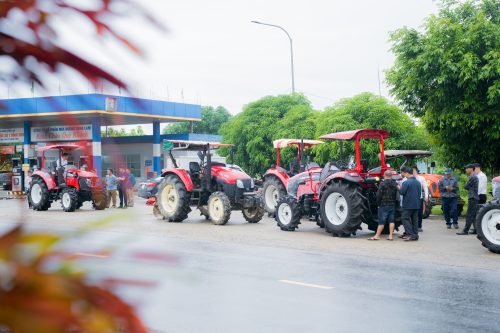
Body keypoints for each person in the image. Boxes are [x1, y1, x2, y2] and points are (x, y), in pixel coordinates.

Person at [368, 170, 399, 241]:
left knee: (382, 221)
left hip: (383, 205)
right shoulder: (395, 184)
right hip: (392, 204)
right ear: (391, 176)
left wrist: (378, 204)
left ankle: (377, 235)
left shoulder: (382, 184)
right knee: (391, 221)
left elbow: (378, 195)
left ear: (384, 175)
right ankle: (390, 235)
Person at [399, 166, 422, 241]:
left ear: (406, 173)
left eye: (403, 173)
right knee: (415, 220)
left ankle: (410, 234)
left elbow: (402, 192)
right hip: (416, 204)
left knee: (404, 218)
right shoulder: (418, 182)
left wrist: (399, 188)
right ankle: (415, 235)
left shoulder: (406, 182)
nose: (403, 175)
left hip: (408, 204)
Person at [457, 164, 479, 235]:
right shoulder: (474, 176)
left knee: (469, 214)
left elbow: (466, 186)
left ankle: (465, 230)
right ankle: (476, 230)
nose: (466, 170)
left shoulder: (472, 177)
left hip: (472, 197)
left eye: (467, 168)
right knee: (474, 215)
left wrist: (466, 185)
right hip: (474, 197)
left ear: (471, 169)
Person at [413, 166, 429, 232]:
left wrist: (426, 196)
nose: (413, 172)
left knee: (419, 213)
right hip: (411, 198)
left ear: (416, 171)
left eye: (413, 170)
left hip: (419, 198)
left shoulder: (421, 178)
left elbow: (425, 187)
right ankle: (413, 226)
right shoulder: (408, 178)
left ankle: (419, 226)